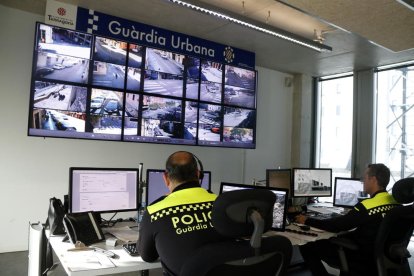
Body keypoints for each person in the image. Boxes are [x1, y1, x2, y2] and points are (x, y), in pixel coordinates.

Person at [295, 163, 400, 276]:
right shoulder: (395, 202)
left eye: (365, 178)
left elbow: (336, 226)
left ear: (373, 179)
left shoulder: (367, 206)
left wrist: (307, 220)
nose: (363, 181)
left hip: (360, 256)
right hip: (382, 255)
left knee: (307, 246)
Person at [138, 151, 227, 276]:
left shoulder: (155, 211)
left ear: (166, 178)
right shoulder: (222, 203)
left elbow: (148, 256)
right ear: (198, 174)